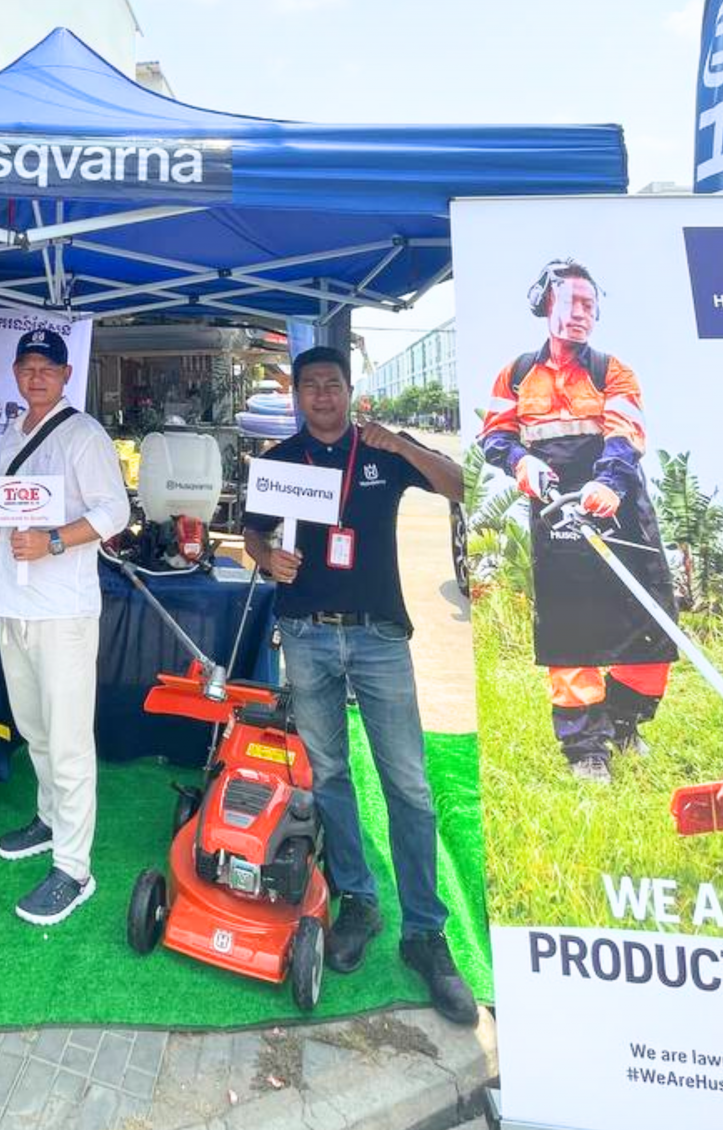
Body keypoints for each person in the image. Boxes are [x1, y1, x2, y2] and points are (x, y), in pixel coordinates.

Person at [242, 346, 477, 1026]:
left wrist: (401, 442)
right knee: (330, 775)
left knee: (408, 785)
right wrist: (269, 557)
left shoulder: (382, 451)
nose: (322, 394)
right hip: (307, 635)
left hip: (379, 639)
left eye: (333, 384)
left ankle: (425, 932)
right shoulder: (280, 461)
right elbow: (252, 537)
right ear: (296, 395)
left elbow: (463, 486)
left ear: (350, 391)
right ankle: (359, 901)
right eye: (310, 385)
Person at [478, 260, 677, 783]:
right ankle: (586, 748)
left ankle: (624, 722)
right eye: (571, 302)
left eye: (589, 305)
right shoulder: (516, 374)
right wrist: (520, 462)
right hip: (555, 513)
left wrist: (608, 483)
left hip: (620, 508)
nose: (581, 313)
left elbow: (625, 433)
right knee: (569, 632)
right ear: (546, 304)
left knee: (651, 626)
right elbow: (494, 436)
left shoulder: (613, 370)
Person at [0, 329, 130, 926]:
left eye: (47, 368)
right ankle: (51, 818)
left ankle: (74, 869)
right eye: (27, 367)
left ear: (65, 375)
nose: (36, 377)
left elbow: (115, 512)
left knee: (68, 740)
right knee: (34, 729)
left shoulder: (83, 434)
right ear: (15, 373)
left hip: (63, 611)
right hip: (14, 605)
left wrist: (55, 540)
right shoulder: (12, 432)